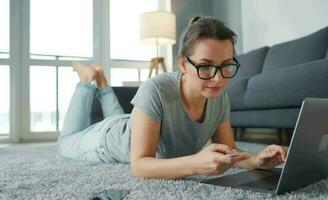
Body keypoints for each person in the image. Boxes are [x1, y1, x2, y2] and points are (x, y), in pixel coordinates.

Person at [57, 16, 287, 179]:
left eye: (226, 66)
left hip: (132, 124)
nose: (217, 80)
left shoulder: (218, 96)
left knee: (125, 121)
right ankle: (86, 80)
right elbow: (139, 166)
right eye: (205, 67)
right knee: (64, 143)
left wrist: (257, 160)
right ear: (184, 64)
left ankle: (103, 83)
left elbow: (230, 150)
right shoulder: (155, 89)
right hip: (107, 140)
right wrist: (195, 164)